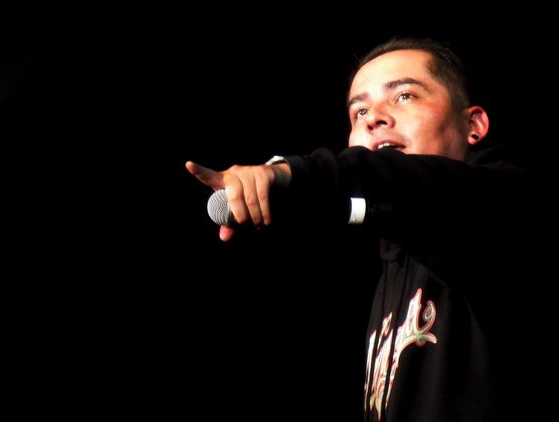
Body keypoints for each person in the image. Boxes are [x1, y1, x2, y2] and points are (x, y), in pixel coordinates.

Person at [186, 37, 531, 422]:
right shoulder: (390, 259)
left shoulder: (506, 203)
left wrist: (289, 174)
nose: (373, 118)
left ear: (473, 125)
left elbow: (389, 177)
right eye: (360, 110)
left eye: (404, 96)